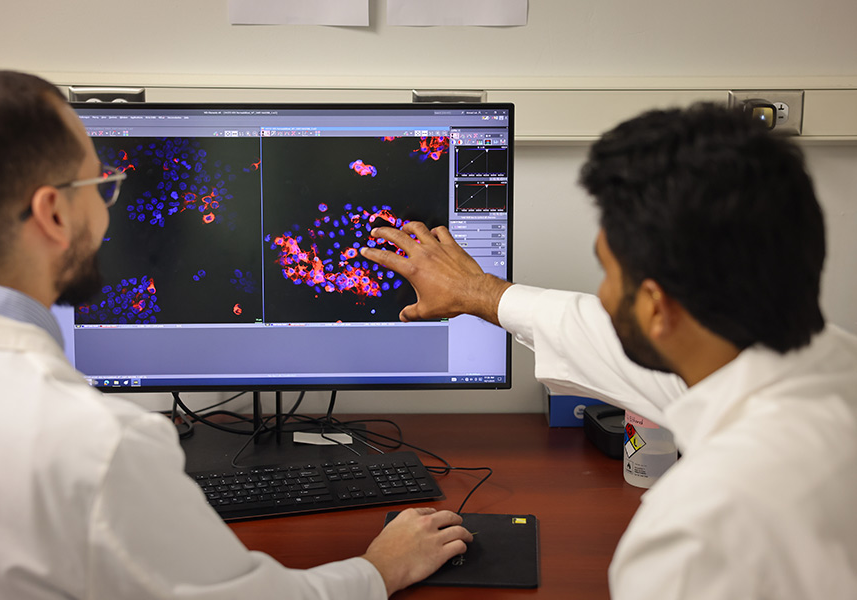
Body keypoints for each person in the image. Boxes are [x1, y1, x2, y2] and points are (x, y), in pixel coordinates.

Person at [0, 70, 472, 600]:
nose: (108, 209)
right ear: (54, 213)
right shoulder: (96, 446)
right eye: (100, 186)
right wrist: (378, 568)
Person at [361, 103, 857, 599]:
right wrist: (482, 293)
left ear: (658, 308)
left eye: (607, 273)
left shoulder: (696, 537)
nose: (601, 297)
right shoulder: (829, 366)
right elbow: (598, 336)